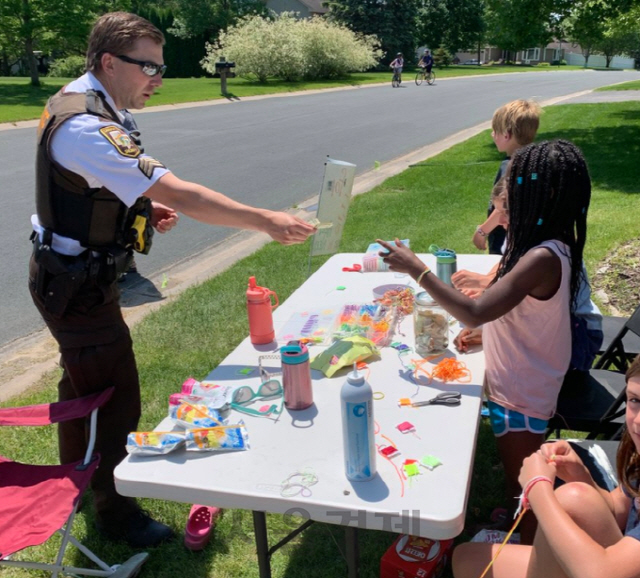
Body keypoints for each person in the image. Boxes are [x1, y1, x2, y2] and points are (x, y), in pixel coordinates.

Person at [29, 11, 315, 549]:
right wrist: (265, 220)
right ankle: (114, 514)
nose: (158, 78)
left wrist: (143, 202)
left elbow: (88, 185)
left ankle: (81, 482)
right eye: (148, 67)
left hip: (70, 275)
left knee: (84, 388)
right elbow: (184, 192)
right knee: (113, 399)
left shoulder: (83, 99)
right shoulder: (89, 125)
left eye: (161, 67)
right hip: (77, 286)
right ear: (109, 62)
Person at [377, 139, 591, 544]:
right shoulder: (542, 245)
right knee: (519, 470)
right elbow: (512, 312)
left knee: (527, 479)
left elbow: (474, 310)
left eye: (508, 206)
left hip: (524, 388)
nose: (500, 216)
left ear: (539, 200)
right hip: (522, 374)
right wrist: (489, 333)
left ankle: (527, 540)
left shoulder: (542, 257)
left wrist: (418, 270)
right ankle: (516, 513)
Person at [452, 353, 640, 578]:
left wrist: (537, 487)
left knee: (571, 498)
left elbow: (602, 573)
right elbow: (619, 509)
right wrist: (579, 474)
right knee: (465, 558)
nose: (637, 421)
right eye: (635, 400)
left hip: (610, 568)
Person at [483, 100, 541, 255]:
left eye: (495, 131)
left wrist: (482, 232)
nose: (492, 135)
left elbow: (503, 207)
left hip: (505, 242)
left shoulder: (510, 167)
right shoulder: (535, 162)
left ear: (507, 135)